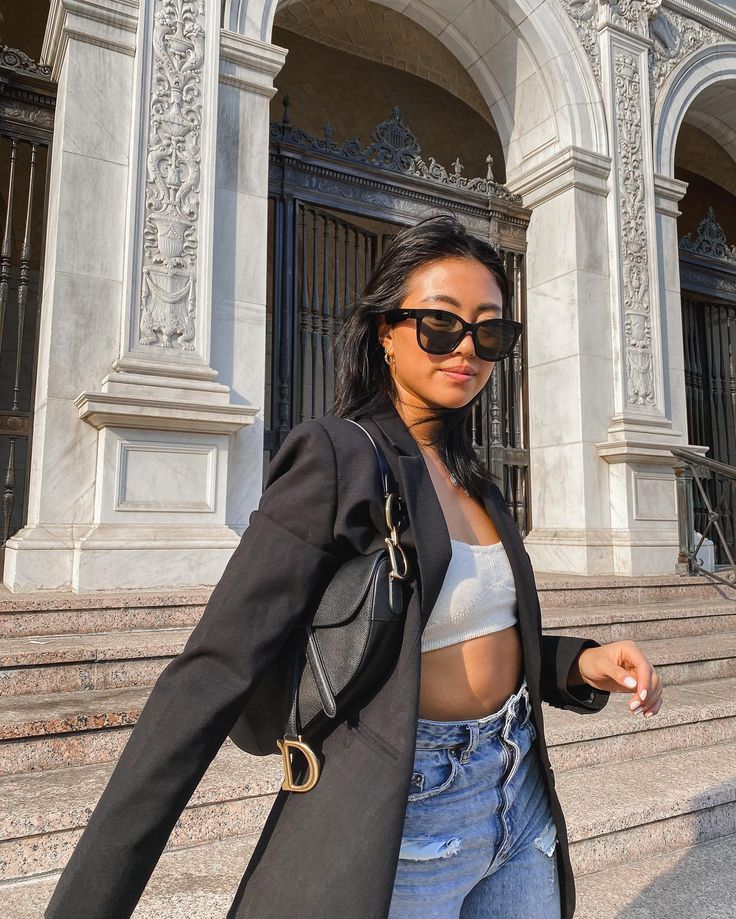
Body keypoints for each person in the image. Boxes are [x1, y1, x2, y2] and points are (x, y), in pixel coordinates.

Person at [45, 214, 663, 919]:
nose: (468, 348)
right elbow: (213, 670)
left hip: (518, 801)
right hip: (408, 812)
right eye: (440, 324)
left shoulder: (478, 481)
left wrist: (579, 663)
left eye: (490, 332)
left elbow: (462, 637)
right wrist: (90, 903)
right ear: (386, 333)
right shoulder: (338, 457)